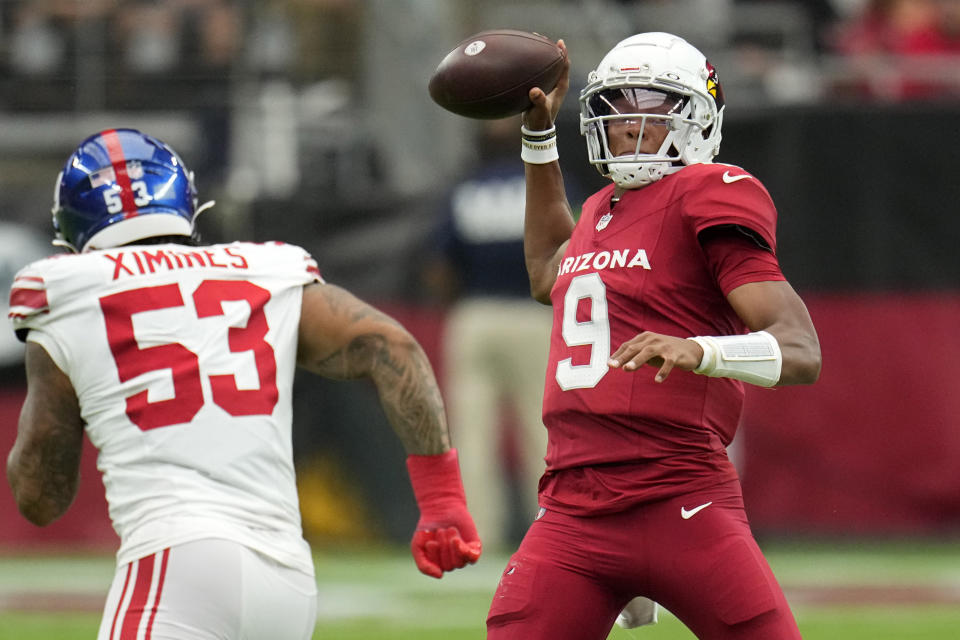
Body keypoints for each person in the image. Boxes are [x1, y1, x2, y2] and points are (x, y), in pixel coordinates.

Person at [5, 128, 482, 639]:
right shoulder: (264, 267)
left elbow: (40, 497)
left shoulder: (64, 287)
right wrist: (442, 499)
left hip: (177, 561)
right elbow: (394, 348)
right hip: (287, 579)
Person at [485, 33, 821, 640]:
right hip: (572, 505)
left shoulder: (710, 190)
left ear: (696, 117)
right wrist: (538, 140)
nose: (628, 119)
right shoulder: (597, 210)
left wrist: (701, 350)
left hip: (679, 495)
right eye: (618, 103)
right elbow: (544, 274)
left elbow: (800, 349)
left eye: (652, 101)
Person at [421, 116, 558, 551]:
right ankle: (555, 533)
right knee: (547, 434)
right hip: (535, 315)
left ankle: (477, 537)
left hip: (476, 314)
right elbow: (571, 247)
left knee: (471, 436)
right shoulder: (547, 184)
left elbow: (439, 266)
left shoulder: (465, 187)